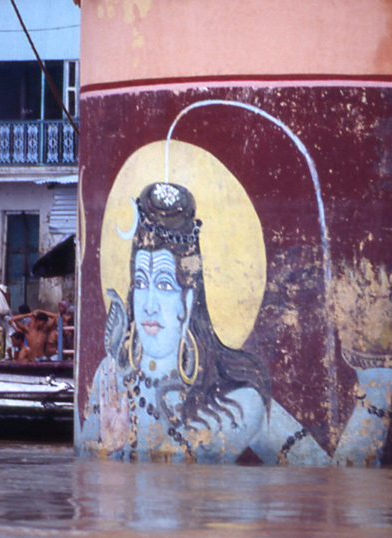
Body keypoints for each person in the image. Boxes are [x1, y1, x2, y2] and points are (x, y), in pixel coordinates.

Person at [79, 181, 326, 464]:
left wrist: (374, 398)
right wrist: (112, 449)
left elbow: (325, 476)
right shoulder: (111, 378)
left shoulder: (237, 403)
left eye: (164, 284)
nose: (149, 305)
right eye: (140, 283)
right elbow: (89, 479)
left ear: (188, 302)